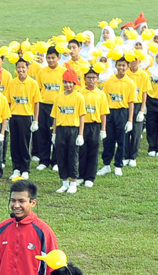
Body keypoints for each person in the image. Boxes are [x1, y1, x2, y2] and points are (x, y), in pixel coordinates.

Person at [50, 63, 86, 193]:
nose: (68, 85)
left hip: (73, 130)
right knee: (61, 156)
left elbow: (82, 116)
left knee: (73, 156)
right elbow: (55, 116)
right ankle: (64, 181)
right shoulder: (58, 97)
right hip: (60, 129)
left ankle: (73, 182)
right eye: (65, 82)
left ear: (75, 83)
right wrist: (54, 133)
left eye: (70, 82)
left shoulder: (79, 97)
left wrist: (80, 134)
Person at [98, 55, 135, 177]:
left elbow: (131, 103)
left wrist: (130, 120)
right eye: (119, 65)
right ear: (115, 66)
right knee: (108, 140)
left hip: (122, 112)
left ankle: (118, 165)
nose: (121, 68)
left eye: (124, 65)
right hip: (110, 112)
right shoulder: (109, 81)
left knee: (122, 140)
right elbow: (104, 100)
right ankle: (106, 164)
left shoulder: (130, 83)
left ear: (127, 67)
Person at [4, 56, 40, 181]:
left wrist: (35, 120)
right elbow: (8, 101)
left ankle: (25, 169)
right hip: (14, 117)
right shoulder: (12, 82)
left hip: (26, 117)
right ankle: (16, 168)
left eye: (23, 67)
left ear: (28, 68)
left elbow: (36, 103)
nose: (21, 70)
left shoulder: (33, 83)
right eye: (18, 67)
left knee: (25, 144)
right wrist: (7, 118)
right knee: (14, 144)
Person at [35, 46, 65, 171]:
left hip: (58, 106)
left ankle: (56, 161)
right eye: (48, 58)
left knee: (57, 133)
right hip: (44, 106)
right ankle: (44, 160)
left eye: (53, 58)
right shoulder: (42, 72)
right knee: (43, 133)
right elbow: (39, 89)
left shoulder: (63, 71)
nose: (51, 60)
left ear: (58, 57)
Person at [77, 64, 108, 187]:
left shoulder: (101, 94)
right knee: (81, 151)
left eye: (94, 78)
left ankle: (90, 177)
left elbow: (104, 113)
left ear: (97, 79)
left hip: (95, 126)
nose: (91, 80)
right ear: (84, 79)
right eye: (89, 77)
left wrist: (103, 129)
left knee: (93, 151)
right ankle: (80, 175)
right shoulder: (80, 93)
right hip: (82, 126)